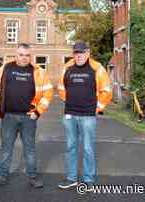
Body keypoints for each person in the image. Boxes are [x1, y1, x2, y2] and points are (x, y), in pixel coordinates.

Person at [0, 43, 53, 188]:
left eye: (27, 55)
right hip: (8, 117)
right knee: (6, 148)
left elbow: (48, 93)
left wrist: (38, 111)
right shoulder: (5, 68)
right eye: (21, 55)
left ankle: (33, 177)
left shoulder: (38, 72)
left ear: (31, 56)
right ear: (16, 54)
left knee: (29, 148)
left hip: (28, 118)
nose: (24, 58)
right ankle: (2, 176)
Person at [58, 41, 112, 189]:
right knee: (71, 147)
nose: (79, 55)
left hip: (88, 115)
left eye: (81, 53)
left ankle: (89, 179)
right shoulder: (67, 67)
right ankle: (71, 178)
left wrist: (97, 108)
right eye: (76, 53)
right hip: (70, 115)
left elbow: (106, 90)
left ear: (88, 53)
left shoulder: (97, 68)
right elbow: (61, 88)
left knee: (88, 148)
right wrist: (69, 102)